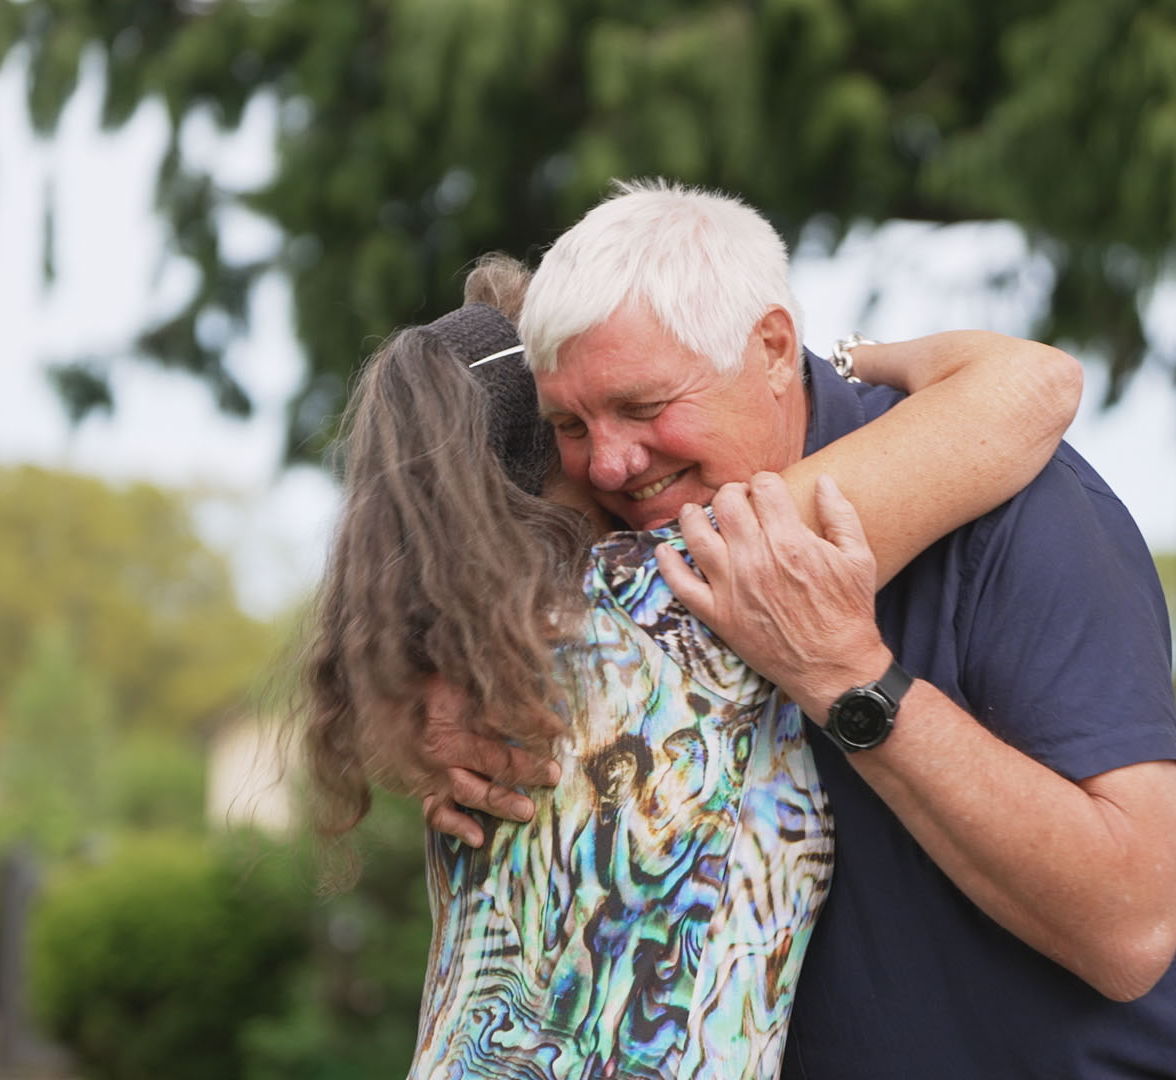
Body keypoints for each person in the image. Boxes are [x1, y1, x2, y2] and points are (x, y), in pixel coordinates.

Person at [431, 180, 1176, 1079]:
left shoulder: (1016, 505)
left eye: (646, 408)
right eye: (571, 424)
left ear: (772, 349)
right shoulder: (623, 566)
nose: (611, 460)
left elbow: (1130, 928)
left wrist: (850, 680)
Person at [303, 254, 1083, 1079]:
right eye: (577, 420)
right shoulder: (674, 593)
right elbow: (1032, 385)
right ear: (547, 446)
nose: (613, 458)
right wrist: (851, 358)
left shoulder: (471, 680)